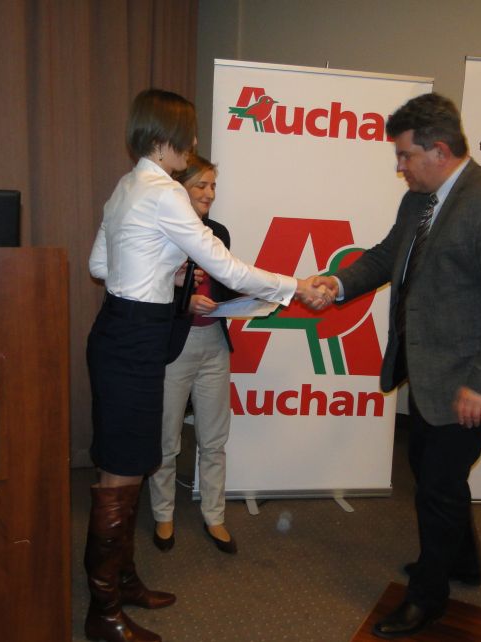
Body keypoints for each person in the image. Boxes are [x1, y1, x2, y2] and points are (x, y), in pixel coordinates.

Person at [86, 88, 327, 642]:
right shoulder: (164, 192)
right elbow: (225, 267)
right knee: (120, 474)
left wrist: (160, 266)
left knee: (123, 467)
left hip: (119, 332)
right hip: (136, 340)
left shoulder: (127, 186)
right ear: (163, 137)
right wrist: (295, 285)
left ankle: (122, 582)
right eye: (187, 134)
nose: (193, 143)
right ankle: (103, 612)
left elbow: (100, 264)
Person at [312, 93, 481, 638]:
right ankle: (464, 562)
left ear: (439, 150)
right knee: (434, 473)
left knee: (437, 484)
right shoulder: (420, 200)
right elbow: (388, 255)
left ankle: (428, 597)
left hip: (469, 378)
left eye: (405, 155)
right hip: (430, 369)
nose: (400, 166)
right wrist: (337, 283)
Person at [149, 153, 239, 555]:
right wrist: (184, 303)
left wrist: (248, 298)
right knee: (167, 438)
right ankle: (163, 514)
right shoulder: (161, 231)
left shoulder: (218, 232)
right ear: (179, 189)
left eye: (213, 185)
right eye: (201, 185)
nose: (209, 193)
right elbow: (146, 293)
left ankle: (214, 516)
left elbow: (225, 283)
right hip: (174, 346)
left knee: (214, 438)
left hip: (214, 344)